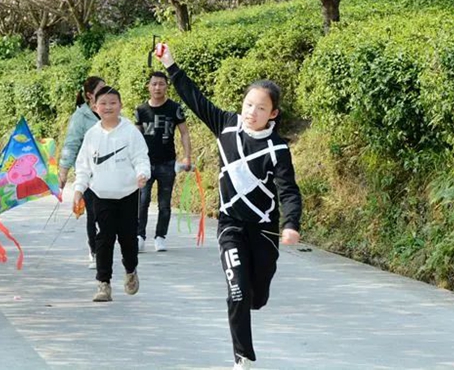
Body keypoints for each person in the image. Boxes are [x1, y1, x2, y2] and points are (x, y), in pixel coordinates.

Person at [154, 43, 301, 370]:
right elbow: (195, 99)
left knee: (256, 296)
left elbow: (288, 190)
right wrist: (170, 64)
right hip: (231, 226)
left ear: (273, 113)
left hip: (263, 230)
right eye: (249, 104)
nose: (252, 112)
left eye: (261, 108)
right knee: (237, 293)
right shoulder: (225, 125)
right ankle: (243, 358)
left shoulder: (277, 149)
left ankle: (252, 301)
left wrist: (290, 223)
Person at [72, 86, 150, 303]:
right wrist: (79, 190)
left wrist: (142, 173)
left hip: (127, 193)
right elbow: (83, 167)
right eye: (103, 103)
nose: (108, 107)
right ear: (95, 107)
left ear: (120, 105)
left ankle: (131, 270)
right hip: (101, 195)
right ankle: (103, 284)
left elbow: (141, 157)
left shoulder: (130, 132)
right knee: (104, 239)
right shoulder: (92, 135)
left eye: (112, 103)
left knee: (127, 239)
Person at [135, 71, 193, 252]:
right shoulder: (140, 110)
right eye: (154, 84)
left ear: (167, 86)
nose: (157, 87)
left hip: (167, 163)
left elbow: (184, 132)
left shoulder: (175, 108)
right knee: (142, 201)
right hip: (145, 163)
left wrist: (187, 156)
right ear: (148, 86)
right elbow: (135, 137)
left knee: (164, 203)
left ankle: (160, 237)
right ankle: (139, 236)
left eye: (161, 84)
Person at [59, 76, 106, 267]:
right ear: (89, 95)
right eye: (101, 89)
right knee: (93, 214)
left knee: (107, 215)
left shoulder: (109, 110)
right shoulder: (81, 117)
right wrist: (63, 171)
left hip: (111, 173)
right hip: (89, 174)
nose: (106, 92)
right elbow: (71, 144)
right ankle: (94, 250)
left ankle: (104, 249)